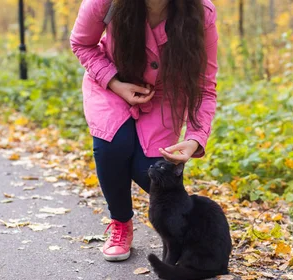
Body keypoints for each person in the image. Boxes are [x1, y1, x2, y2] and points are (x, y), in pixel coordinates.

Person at [70, 0, 218, 261]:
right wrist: (114, 82)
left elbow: (204, 85)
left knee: (150, 172)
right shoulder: (106, 3)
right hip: (112, 82)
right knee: (113, 146)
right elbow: (82, 44)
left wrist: (195, 138)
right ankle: (121, 223)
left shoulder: (200, 11)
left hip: (164, 97)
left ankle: (185, 226)